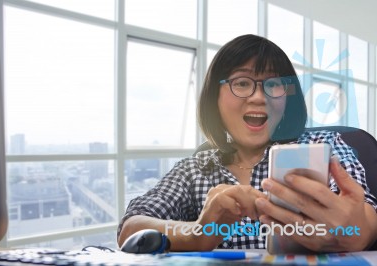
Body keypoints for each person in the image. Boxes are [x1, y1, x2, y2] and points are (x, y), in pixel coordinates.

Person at [117, 34, 377, 252]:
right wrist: (198, 232)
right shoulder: (195, 169)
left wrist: (355, 231)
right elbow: (131, 228)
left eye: (274, 85)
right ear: (214, 98)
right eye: (241, 83)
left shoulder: (324, 146)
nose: (258, 98)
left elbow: (364, 214)